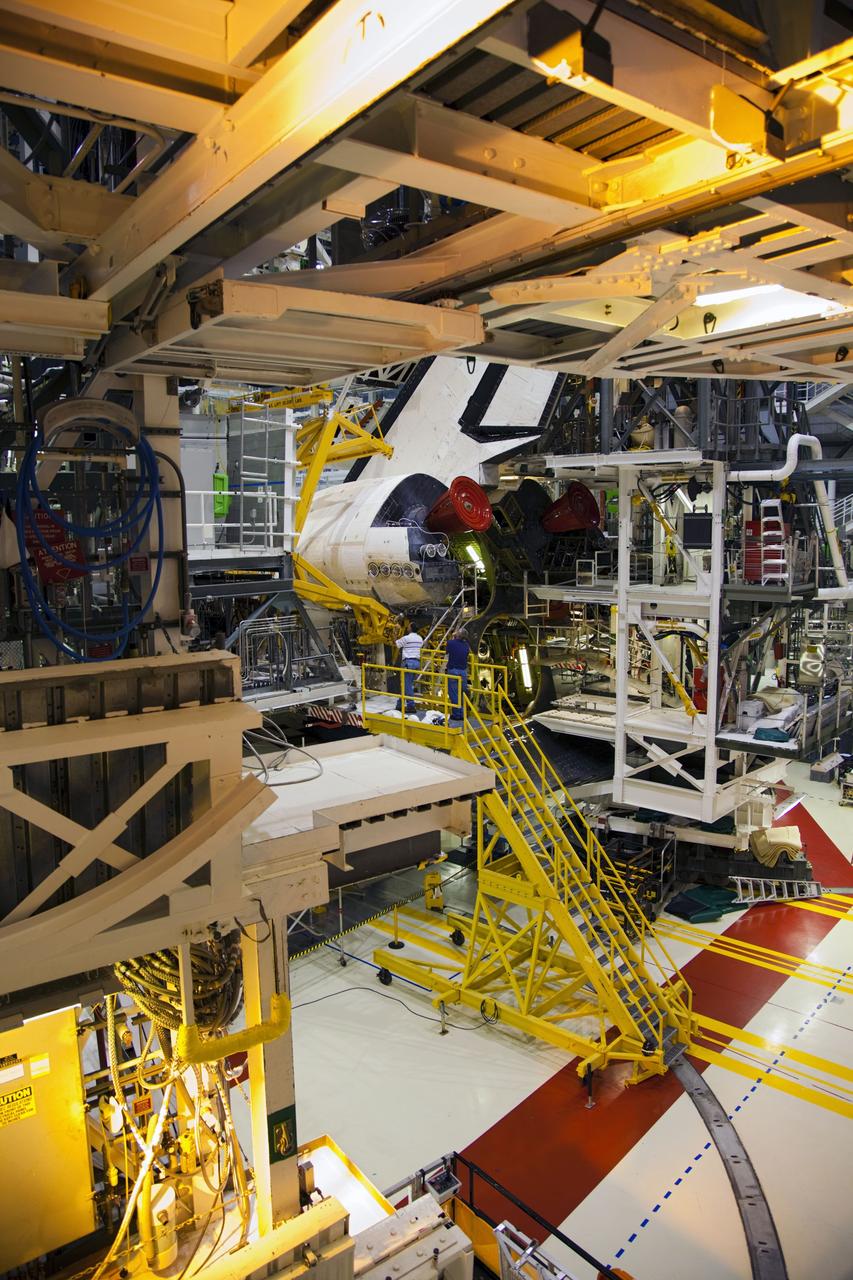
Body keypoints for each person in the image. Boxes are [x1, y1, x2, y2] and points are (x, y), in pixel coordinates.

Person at [395, 623, 424, 712]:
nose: (407, 627)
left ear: (410, 628)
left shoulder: (407, 638)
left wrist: (395, 633)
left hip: (408, 662)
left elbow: (396, 644)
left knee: (407, 685)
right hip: (416, 663)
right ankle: (399, 704)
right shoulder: (420, 638)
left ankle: (411, 706)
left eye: (408, 626)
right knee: (407, 684)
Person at [445, 629, 470, 723]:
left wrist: (453, 637)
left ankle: (457, 714)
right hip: (463, 672)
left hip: (453, 670)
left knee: (453, 693)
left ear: (457, 635)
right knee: (462, 693)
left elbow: (447, 652)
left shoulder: (451, 643)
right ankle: (463, 713)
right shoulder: (466, 645)